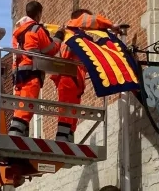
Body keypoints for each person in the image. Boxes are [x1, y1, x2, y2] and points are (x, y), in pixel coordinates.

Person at [51, 9, 120, 142]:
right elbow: (93, 21)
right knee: (67, 110)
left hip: (74, 79)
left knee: (72, 111)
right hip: (69, 77)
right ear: (80, 18)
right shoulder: (72, 28)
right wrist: (111, 26)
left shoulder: (74, 36)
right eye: (85, 17)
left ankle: (68, 139)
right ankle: (62, 140)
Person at [8, 1, 65, 138]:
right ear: (39, 14)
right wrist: (59, 36)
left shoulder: (17, 32)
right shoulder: (36, 30)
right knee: (27, 107)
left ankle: (20, 137)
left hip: (18, 74)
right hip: (31, 73)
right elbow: (51, 49)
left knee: (20, 107)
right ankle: (15, 138)